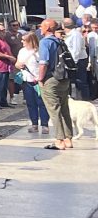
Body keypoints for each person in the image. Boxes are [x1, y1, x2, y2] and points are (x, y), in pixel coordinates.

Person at [39, 19, 75, 150]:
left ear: (48, 28)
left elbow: (44, 63)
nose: (40, 28)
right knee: (64, 108)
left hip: (51, 78)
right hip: (64, 78)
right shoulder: (59, 40)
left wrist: (40, 78)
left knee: (54, 109)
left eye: (42, 26)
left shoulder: (45, 42)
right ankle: (68, 138)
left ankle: (59, 140)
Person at [17, 31, 49, 133]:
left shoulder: (40, 51)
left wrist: (40, 77)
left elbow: (44, 65)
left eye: (24, 40)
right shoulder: (22, 51)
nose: (22, 42)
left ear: (30, 41)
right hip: (27, 80)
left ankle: (45, 125)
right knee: (31, 103)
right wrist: (20, 65)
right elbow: (17, 64)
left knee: (42, 103)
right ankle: (34, 124)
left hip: (39, 80)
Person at [0, 22, 18, 110]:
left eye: (4, 30)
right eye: (1, 30)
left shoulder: (3, 40)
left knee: (4, 85)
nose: (4, 32)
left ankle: (3, 101)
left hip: (6, 66)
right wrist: (8, 57)